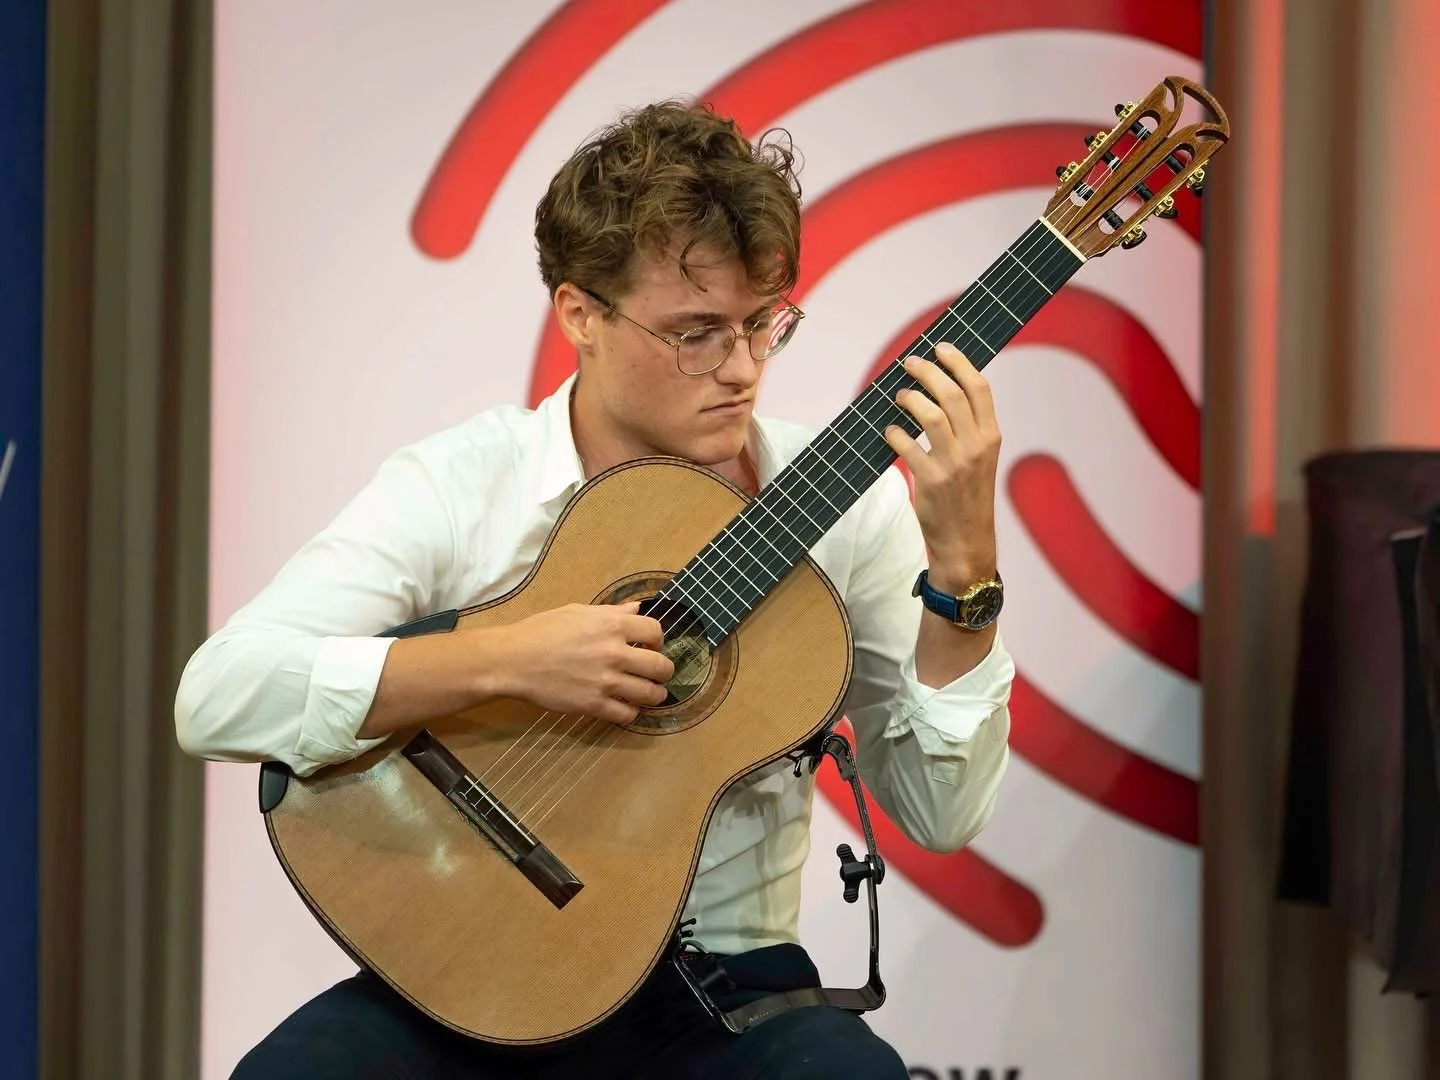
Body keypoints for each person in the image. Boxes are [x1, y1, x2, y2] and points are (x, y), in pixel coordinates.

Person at [175, 99, 1014, 1080]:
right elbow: (219, 695)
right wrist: (511, 657)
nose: (741, 370)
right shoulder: (463, 484)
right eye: (696, 334)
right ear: (579, 313)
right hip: (478, 964)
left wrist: (964, 579)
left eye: (761, 325)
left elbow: (942, 818)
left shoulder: (846, 513)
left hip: (730, 993)